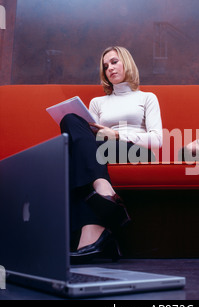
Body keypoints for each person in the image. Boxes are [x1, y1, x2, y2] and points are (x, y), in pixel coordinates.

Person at [60, 46, 163, 261]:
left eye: (114, 62)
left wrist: (116, 135)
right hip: (102, 150)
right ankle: (95, 233)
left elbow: (158, 140)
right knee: (69, 119)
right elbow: (88, 139)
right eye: (106, 66)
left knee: (81, 155)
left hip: (136, 151)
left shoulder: (147, 97)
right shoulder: (98, 103)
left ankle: (95, 228)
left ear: (127, 62)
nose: (110, 68)